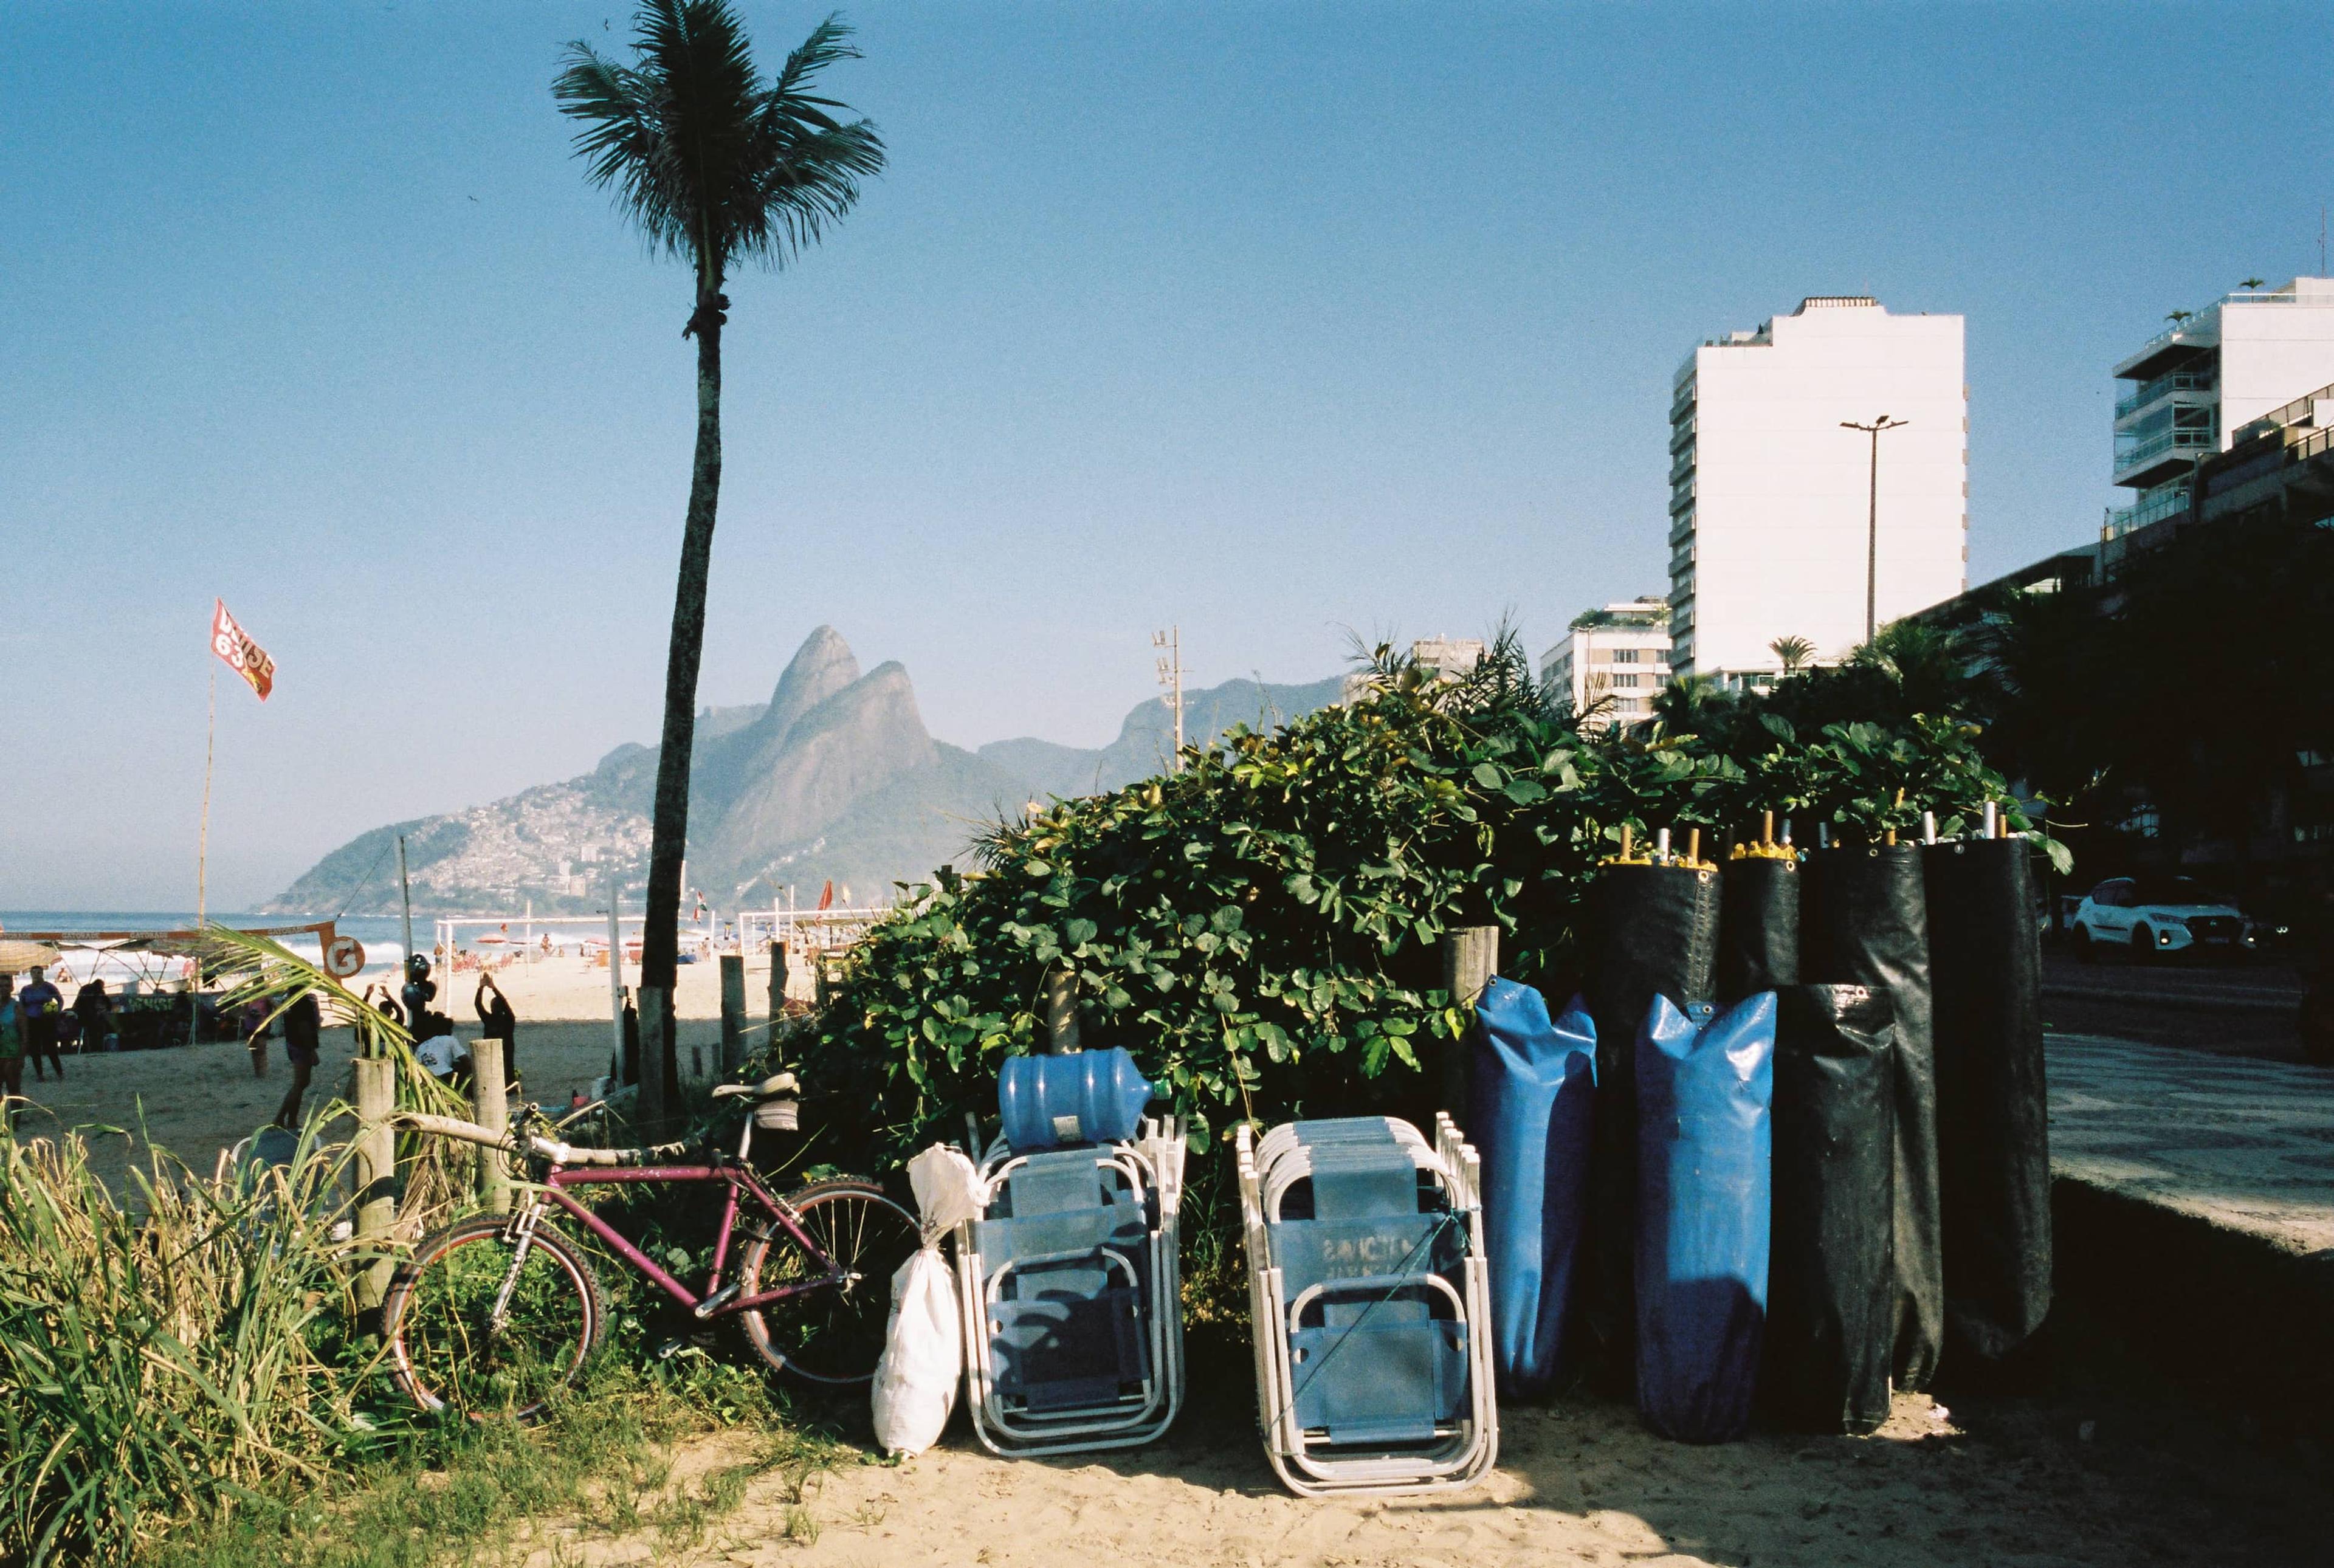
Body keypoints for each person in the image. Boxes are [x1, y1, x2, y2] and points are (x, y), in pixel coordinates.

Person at [274, 989, 323, 1129]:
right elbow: (304, 1027)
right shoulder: (301, 1001)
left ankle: (291, 1120)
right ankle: (281, 1118)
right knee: (300, 1083)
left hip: (293, 1042)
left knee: (302, 1083)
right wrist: (312, 1050)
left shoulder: (290, 998)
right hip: (301, 1045)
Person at [18, 966, 63, 1082]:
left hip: (47, 1020)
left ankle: (59, 1072)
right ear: (31, 974)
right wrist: (22, 1018)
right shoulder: (26, 989)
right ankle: (40, 1074)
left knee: (51, 1048)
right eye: (34, 973)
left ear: (42, 974)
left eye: (39, 973)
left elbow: (60, 1000)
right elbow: (22, 1005)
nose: (36, 975)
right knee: (35, 1049)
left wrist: (57, 1012)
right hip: (32, 1020)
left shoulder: (48, 987)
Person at [475, 972, 518, 1087]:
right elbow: (504, 1002)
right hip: (506, 1047)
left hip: (494, 1048)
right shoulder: (509, 1019)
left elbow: (478, 1005)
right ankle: (510, 1086)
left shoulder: (488, 1019)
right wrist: (493, 988)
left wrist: (481, 988)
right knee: (508, 1068)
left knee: (495, 1069)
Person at [0, 975, 24, 1129]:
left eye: (7, 986)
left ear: (12, 989)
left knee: (13, 1088)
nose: (3, 989)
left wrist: (22, 1057)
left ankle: (16, 1121)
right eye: (1, 986)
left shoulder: (17, 1007)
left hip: (12, 1054)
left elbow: (25, 1034)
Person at [72, 978, 119, 1054]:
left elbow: (78, 1003)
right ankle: (98, 1047)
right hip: (91, 1017)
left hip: (80, 1016)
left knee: (86, 1032)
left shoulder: (84, 988)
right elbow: (107, 1002)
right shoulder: (98, 990)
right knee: (100, 1027)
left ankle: (86, 1048)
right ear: (101, 985)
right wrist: (107, 1010)